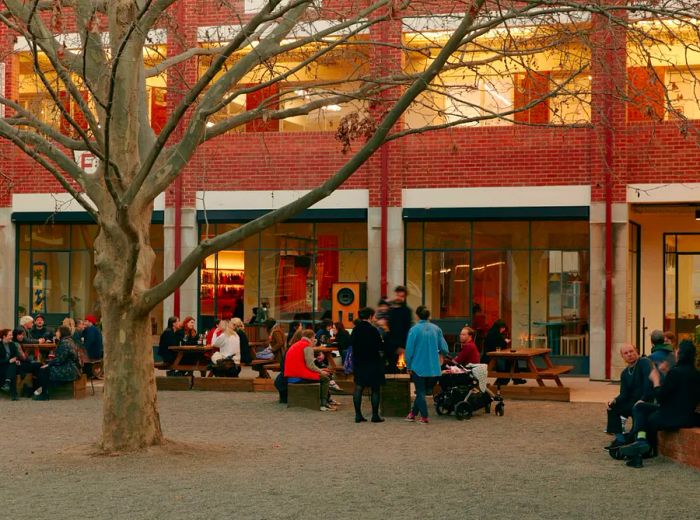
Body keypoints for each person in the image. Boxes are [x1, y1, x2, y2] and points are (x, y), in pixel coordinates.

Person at [618, 340, 700, 468]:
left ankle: (641, 447)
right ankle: (640, 443)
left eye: (677, 351)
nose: (675, 353)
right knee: (640, 406)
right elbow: (679, 392)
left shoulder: (676, 372)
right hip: (687, 417)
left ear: (681, 354)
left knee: (643, 412)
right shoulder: (696, 374)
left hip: (671, 417)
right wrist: (667, 373)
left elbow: (661, 397)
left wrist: (656, 380)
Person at [604, 344, 654, 451]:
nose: (629, 355)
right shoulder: (625, 373)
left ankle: (637, 441)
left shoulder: (644, 362)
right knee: (612, 407)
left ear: (636, 351)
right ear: (622, 357)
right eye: (626, 353)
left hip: (646, 401)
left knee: (638, 408)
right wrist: (614, 400)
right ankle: (620, 440)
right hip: (632, 402)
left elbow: (649, 383)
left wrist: (643, 399)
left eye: (631, 351)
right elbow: (624, 394)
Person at [404, 306, 449, 424]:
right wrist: (440, 354)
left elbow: (409, 350)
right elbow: (444, 349)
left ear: (417, 316)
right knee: (423, 392)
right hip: (434, 368)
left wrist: (408, 365)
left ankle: (424, 417)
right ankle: (412, 414)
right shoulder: (437, 329)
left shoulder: (414, 330)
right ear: (428, 316)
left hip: (418, 366)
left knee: (420, 392)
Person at [284, 329, 334, 411]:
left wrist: (320, 370)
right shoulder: (307, 346)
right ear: (312, 337)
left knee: (323, 374)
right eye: (314, 337)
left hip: (292, 374)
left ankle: (326, 401)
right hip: (298, 376)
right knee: (325, 379)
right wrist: (321, 371)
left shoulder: (297, 344)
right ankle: (323, 403)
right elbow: (310, 365)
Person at [350, 307, 385, 423]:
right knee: (375, 388)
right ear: (370, 316)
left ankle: (358, 415)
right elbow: (380, 346)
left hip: (359, 362)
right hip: (373, 362)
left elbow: (351, 344)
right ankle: (375, 415)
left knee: (358, 387)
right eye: (374, 316)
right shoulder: (373, 330)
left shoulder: (355, 330)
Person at [32, 326, 81, 401]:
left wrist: (48, 364)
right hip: (71, 367)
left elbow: (60, 359)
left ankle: (44, 394)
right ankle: (40, 392)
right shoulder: (69, 340)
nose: (56, 333)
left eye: (58, 332)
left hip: (69, 368)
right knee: (44, 368)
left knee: (44, 370)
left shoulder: (65, 342)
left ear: (62, 332)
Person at [483, 319, 525, 386]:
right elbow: (499, 345)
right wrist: (505, 341)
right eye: (503, 329)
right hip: (492, 356)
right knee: (511, 361)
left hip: (493, 355)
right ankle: (510, 379)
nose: (503, 331)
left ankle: (516, 379)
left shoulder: (492, 332)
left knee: (513, 359)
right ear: (501, 327)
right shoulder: (495, 334)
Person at [386, 285, 413, 373]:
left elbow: (407, 329)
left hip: (401, 345)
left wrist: (403, 346)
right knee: (391, 368)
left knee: (401, 369)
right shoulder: (390, 310)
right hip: (390, 345)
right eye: (398, 295)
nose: (399, 298)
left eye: (401, 296)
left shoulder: (406, 311)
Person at [1, 328, 24, 400]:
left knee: (12, 366)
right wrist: (8, 361)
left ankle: (7, 382)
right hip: (2, 366)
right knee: (12, 369)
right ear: (4, 336)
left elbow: (16, 355)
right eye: (10, 335)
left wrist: (16, 360)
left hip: (11, 366)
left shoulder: (12, 344)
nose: (12, 336)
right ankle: (14, 394)